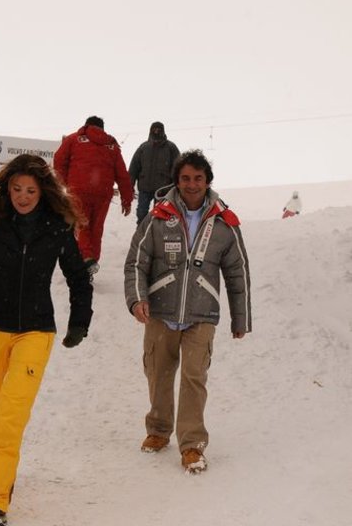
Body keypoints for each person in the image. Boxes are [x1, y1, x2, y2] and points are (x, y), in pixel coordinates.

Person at [0, 154, 93, 526]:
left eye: (30, 191)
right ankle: (2, 454)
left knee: (10, 415)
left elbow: (78, 277)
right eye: (16, 189)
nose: (22, 197)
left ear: (43, 192)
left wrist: (79, 322)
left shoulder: (56, 227)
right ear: (7, 189)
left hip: (36, 331)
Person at [124, 149, 251, 474]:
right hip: (160, 312)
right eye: (185, 178)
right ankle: (158, 429)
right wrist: (137, 299)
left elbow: (237, 272)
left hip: (201, 314)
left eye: (198, 178)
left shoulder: (224, 222)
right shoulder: (158, 217)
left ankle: (192, 445)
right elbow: (137, 262)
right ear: (176, 181)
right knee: (158, 372)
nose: (191, 184)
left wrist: (241, 318)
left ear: (208, 181)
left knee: (194, 378)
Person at [53, 115, 133, 278]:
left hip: (78, 189)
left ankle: (87, 258)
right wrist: (127, 199)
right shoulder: (111, 145)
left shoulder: (73, 139)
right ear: (102, 128)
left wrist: (64, 183)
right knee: (96, 229)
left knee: (82, 225)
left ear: (86, 125)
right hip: (103, 192)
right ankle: (92, 261)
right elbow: (122, 174)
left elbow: (59, 161)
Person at [128, 122, 180, 224]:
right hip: (144, 188)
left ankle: (157, 232)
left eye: (159, 129)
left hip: (163, 190)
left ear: (163, 131)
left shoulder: (171, 147)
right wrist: (129, 186)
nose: (156, 132)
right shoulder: (143, 147)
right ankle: (142, 231)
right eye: (154, 129)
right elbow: (133, 168)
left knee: (160, 215)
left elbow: (178, 168)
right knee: (141, 214)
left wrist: (177, 186)